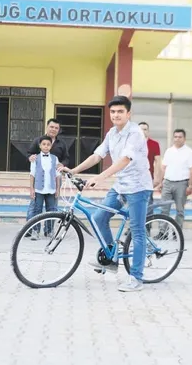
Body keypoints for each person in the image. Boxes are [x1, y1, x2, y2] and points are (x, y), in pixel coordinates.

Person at [60, 95, 153, 293]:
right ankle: (111, 258)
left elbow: (125, 159)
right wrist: (74, 170)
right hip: (121, 186)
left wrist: (101, 177)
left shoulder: (135, 133)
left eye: (120, 111)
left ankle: (136, 278)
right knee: (98, 217)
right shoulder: (112, 133)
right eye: (113, 112)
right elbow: (97, 155)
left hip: (138, 187)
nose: (116, 115)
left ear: (128, 113)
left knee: (137, 231)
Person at [158, 129, 192, 230]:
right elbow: (163, 168)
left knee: (180, 210)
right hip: (167, 183)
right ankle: (162, 231)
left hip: (182, 184)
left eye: (180, 137)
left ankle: (177, 232)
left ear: (184, 138)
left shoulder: (189, 152)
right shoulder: (169, 151)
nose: (177, 139)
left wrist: (190, 185)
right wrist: (160, 182)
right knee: (164, 209)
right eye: (175, 137)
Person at [27, 135, 61, 239]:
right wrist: (32, 189)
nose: (46, 146)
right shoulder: (35, 158)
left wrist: (58, 189)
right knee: (37, 210)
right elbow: (32, 174)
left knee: (51, 210)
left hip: (51, 189)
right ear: (40, 145)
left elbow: (57, 175)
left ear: (51, 146)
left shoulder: (55, 158)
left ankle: (49, 231)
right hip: (39, 189)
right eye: (44, 144)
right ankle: (35, 231)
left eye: (48, 144)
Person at [139, 122, 162, 215]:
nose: (143, 131)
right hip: (134, 178)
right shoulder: (132, 144)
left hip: (148, 178)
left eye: (145, 129)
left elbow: (158, 162)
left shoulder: (154, 144)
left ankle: (148, 223)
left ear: (148, 131)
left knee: (148, 202)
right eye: (140, 129)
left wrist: (157, 178)